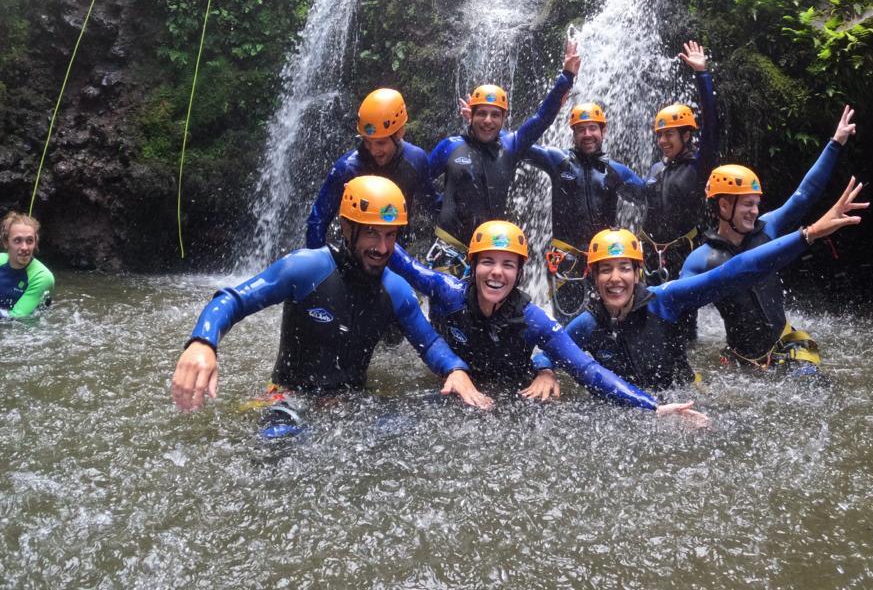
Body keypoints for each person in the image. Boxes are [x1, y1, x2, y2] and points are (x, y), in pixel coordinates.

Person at [171, 177, 491, 438]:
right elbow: (233, 300)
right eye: (371, 233)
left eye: (390, 236)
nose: (382, 248)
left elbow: (430, 342)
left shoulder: (396, 289)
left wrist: (455, 369)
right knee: (278, 447)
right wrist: (203, 341)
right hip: (290, 398)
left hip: (350, 403)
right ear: (348, 228)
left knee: (413, 433)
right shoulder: (305, 268)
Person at [388, 219, 708, 422]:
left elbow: (586, 370)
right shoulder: (446, 290)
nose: (497, 272)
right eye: (487, 262)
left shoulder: (533, 319)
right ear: (472, 266)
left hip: (508, 396)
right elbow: (401, 262)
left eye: (508, 265)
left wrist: (651, 406)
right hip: (450, 388)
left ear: (519, 273)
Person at [565, 178, 866, 388]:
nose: (615, 279)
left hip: (681, 398)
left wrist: (808, 234)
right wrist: (545, 372)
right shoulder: (587, 324)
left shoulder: (665, 300)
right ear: (593, 276)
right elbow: (548, 346)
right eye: (605, 270)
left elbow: (735, 270)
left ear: (638, 273)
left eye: (624, 269)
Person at [682, 107, 859, 373]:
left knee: (814, 385)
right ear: (723, 206)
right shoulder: (700, 260)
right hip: (742, 362)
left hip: (785, 347)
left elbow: (804, 195)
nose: (755, 211)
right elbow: (676, 309)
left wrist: (836, 143)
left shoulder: (768, 229)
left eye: (756, 204)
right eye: (747, 204)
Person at [426, 40, 579, 277]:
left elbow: (541, 119)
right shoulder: (450, 146)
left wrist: (566, 76)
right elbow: (419, 180)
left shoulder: (511, 146)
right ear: (471, 116)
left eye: (494, 115)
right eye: (482, 114)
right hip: (449, 249)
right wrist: (438, 205)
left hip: (489, 250)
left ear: (503, 119)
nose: (488, 120)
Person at [523, 101, 645, 322]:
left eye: (593, 128)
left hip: (604, 263)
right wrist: (489, 126)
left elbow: (651, 198)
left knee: (608, 327)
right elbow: (519, 144)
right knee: (568, 330)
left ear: (603, 131)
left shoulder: (615, 171)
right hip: (566, 263)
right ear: (573, 133)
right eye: (581, 129)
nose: (587, 134)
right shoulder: (559, 161)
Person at [641, 40, 719, 354]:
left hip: (682, 255)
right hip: (648, 254)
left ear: (687, 136)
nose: (662, 141)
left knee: (684, 326)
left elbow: (712, 125)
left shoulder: (699, 167)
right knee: (648, 319)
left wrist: (702, 75)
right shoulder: (656, 169)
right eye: (659, 135)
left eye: (669, 134)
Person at [306, 88, 439, 249]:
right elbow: (318, 220)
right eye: (367, 142)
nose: (374, 150)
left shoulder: (415, 161)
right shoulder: (347, 169)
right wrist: (320, 264)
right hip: (355, 255)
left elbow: (432, 204)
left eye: (381, 143)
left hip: (396, 252)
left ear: (399, 133)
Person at [0, 212, 54, 320]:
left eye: (29, 241)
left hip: (27, 330)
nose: (24, 247)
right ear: (6, 242)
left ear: (35, 243)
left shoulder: (42, 276)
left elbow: (16, 317)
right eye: (17, 240)